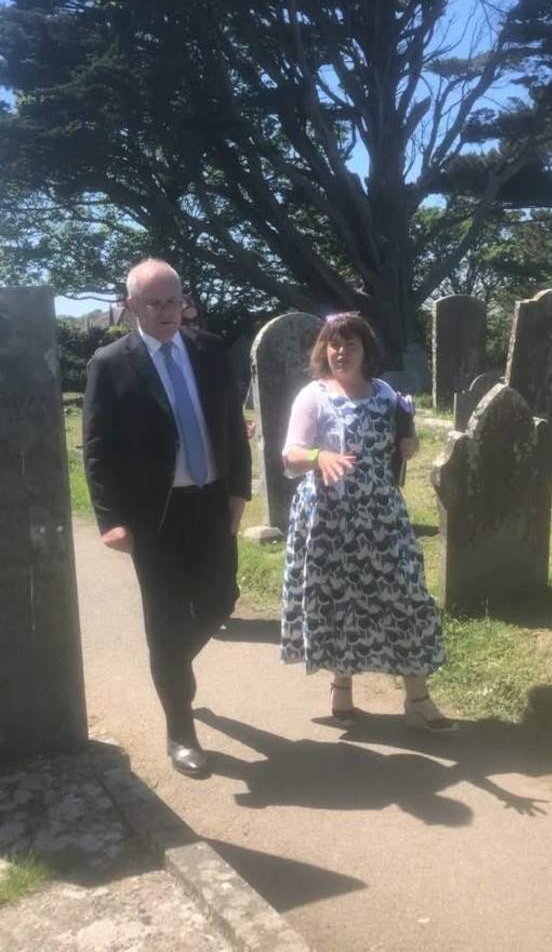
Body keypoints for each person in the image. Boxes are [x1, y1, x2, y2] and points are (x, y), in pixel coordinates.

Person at [83, 258, 252, 778]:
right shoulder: (110, 363)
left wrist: (240, 491)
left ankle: (171, 666)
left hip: (210, 500)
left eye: (172, 300)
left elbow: (229, 423)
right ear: (132, 306)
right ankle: (180, 728)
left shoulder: (208, 349)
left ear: (184, 301)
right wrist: (110, 518)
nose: (165, 311)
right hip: (153, 515)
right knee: (165, 619)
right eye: (153, 303)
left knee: (222, 597)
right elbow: (96, 447)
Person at [281, 312, 456, 732]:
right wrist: (320, 457)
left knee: (407, 597)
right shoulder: (314, 396)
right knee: (341, 600)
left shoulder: (384, 394)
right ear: (324, 349)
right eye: (334, 345)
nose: (341, 352)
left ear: (366, 350)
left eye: (350, 345)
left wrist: (407, 444)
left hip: (381, 514)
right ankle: (341, 692)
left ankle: (417, 700)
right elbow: (290, 456)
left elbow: (396, 446)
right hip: (329, 516)